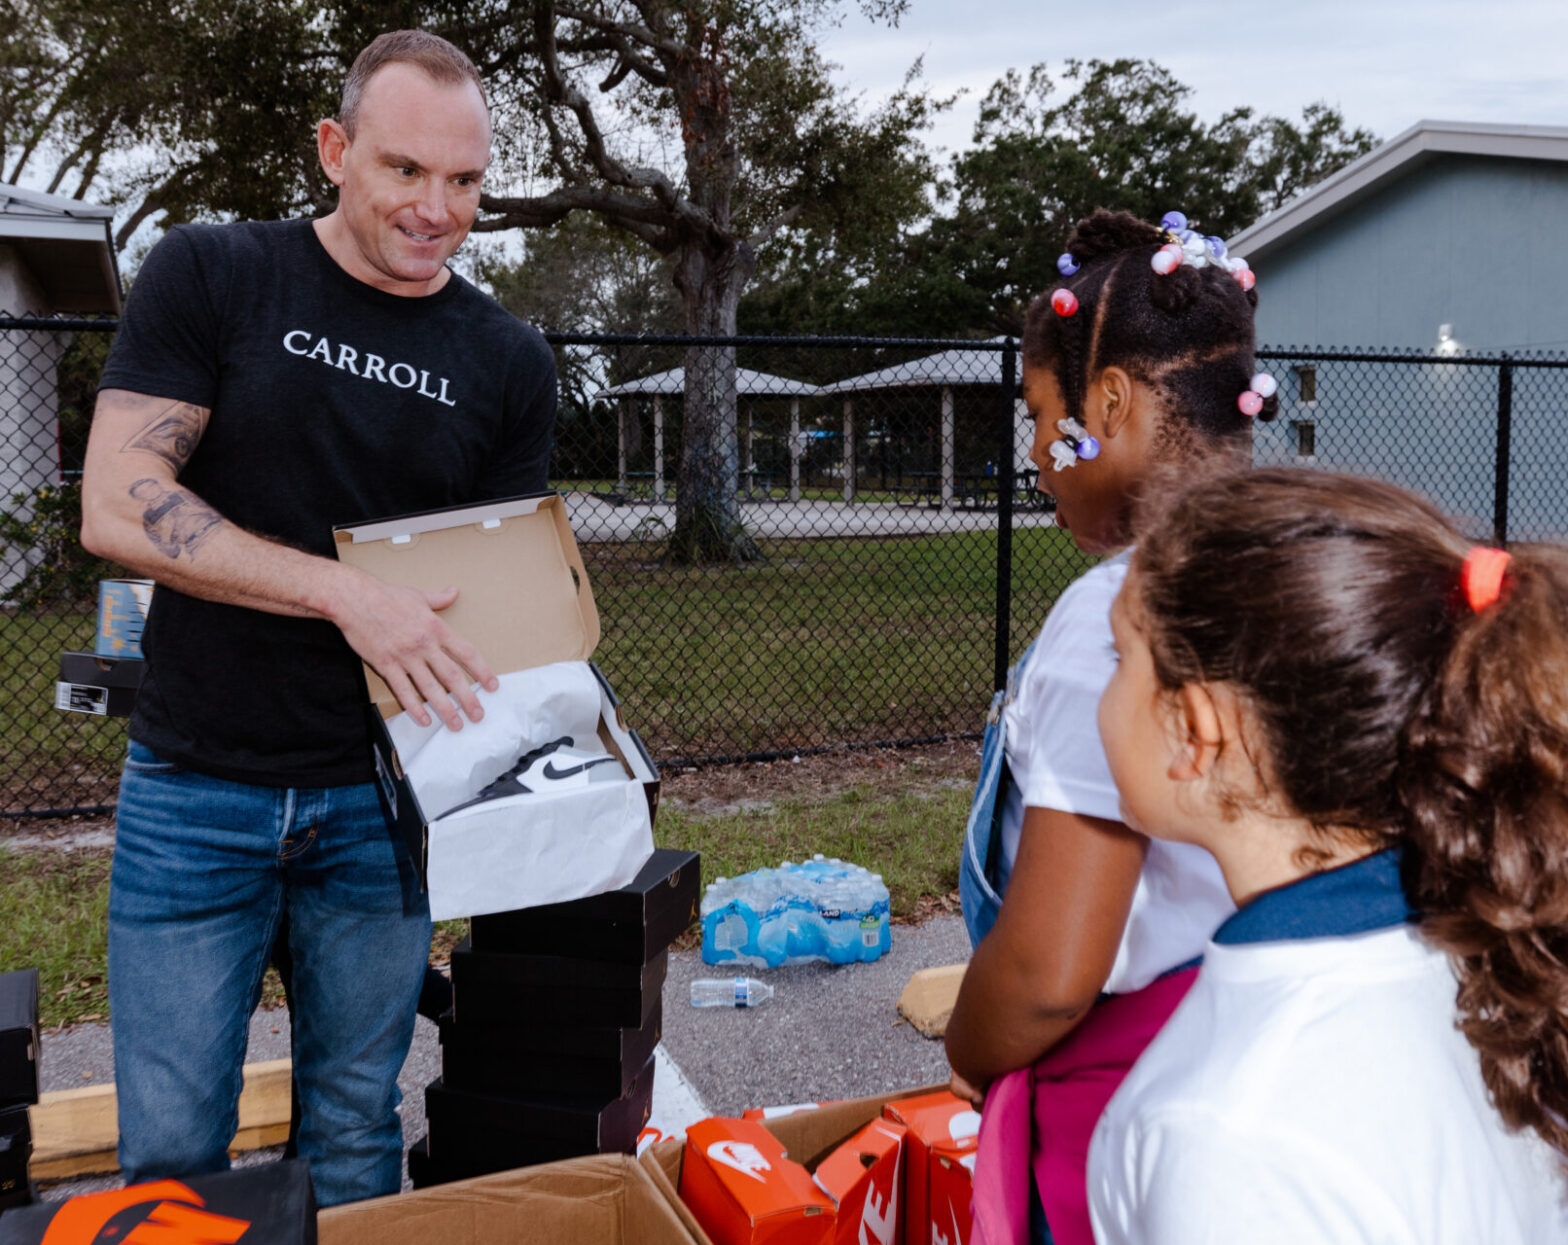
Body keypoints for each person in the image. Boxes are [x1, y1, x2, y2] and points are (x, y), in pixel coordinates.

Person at [79, 30, 556, 1206]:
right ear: (335, 151)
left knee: (351, 1130)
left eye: (465, 183)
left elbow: (497, 594)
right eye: (405, 171)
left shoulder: (506, 360)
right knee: (172, 1153)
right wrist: (344, 594)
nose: (436, 209)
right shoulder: (215, 275)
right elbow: (119, 505)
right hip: (195, 789)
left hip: (377, 804)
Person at [1087, 466, 1568, 1243]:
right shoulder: (1488, 946)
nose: (1101, 697)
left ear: (1197, 730)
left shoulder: (1229, 1132)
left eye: (1118, 660)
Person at [948, 208, 1272, 1245]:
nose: (1036, 452)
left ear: (1111, 401)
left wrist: (970, 1047)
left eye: (1041, 412)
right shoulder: (1303, 565)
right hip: (1262, 1054)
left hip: (1125, 1111)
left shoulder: (1115, 618)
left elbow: (1047, 976)